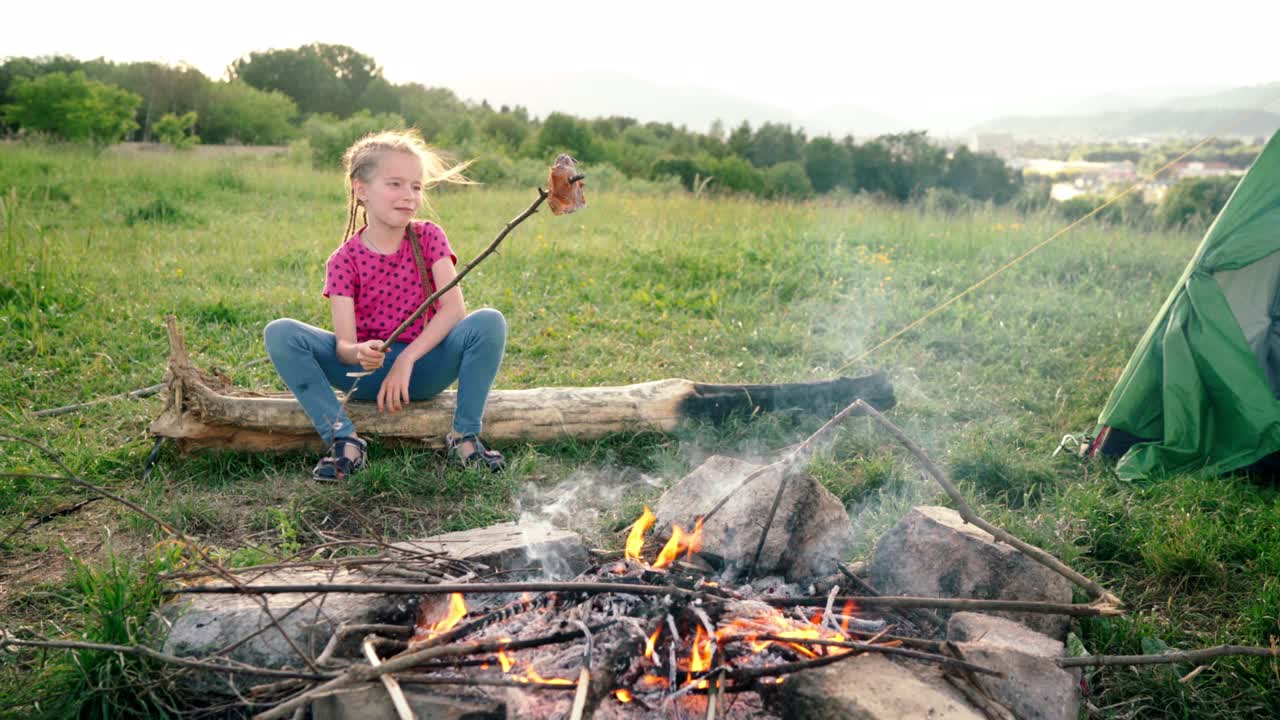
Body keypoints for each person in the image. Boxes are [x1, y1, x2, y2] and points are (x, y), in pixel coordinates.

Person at [264, 129, 507, 481]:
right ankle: (344, 439)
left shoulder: (429, 237)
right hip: (367, 376)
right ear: (361, 190)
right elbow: (344, 347)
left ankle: (464, 436)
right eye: (395, 184)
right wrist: (360, 352)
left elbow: (454, 310)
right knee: (281, 332)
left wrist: (407, 359)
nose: (409, 195)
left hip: (426, 367)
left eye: (416, 186)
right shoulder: (343, 261)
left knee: (489, 322)